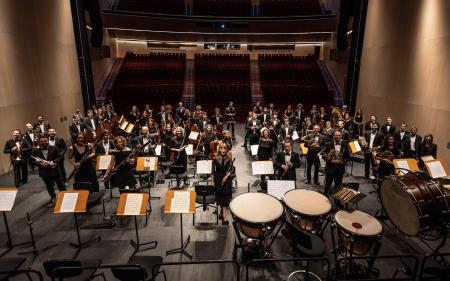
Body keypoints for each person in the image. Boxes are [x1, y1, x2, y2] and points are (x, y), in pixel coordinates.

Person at [31, 135, 66, 205]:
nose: (44, 142)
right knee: (49, 186)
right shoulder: (35, 150)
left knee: (60, 184)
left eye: (45, 141)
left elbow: (59, 157)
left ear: (47, 141)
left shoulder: (54, 148)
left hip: (54, 170)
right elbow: (32, 161)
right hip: (44, 171)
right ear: (39, 142)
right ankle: (53, 197)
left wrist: (53, 162)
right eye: (42, 141)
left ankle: (65, 196)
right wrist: (40, 164)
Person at [212, 143, 235, 224]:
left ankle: (225, 217)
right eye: (221, 148)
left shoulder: (229, 158)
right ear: (219, 149)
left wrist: (226, 176)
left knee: (225, 197)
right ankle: (221, 212)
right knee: (220, 196)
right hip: (218, 179)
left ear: (227, 149)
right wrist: (212, 181)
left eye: (225, 149)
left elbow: (232, 169)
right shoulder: (215, 158)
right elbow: (213, 172)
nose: (223, 150)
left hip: (227, 179)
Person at [323, 131, 349, 196]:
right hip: (330, 168)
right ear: (333, 136)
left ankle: (337, 201)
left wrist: (342, 162)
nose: (337, 136)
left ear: (341, 136)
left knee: (338, 186)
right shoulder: (328, 144)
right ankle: (325, 197)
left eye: (339, 135)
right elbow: (324, 156)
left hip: (340, 169)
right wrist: (331, 161)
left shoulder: (345, 144)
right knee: (327, 185)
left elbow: (347, 156)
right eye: (336, 135)